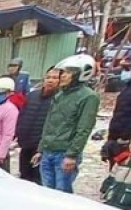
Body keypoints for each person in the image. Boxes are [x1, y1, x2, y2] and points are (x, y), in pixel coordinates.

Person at [32, 54, 100, 193]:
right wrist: (40, 149)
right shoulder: (59, 95)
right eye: (62, 72)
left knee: (62, 194)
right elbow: (49, 124)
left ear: (80, 74)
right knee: (46, 192)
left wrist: (72, 155)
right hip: (48, 151)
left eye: (68, 72)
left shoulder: (89, 97)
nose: (62, 76)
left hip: (64, 153)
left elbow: (84, 128)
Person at [16, 67, 60, 183]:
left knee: (38, 179)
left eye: (55, 78)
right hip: (25, 144)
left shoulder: (59, 99)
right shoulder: (32, 95)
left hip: (41, 147)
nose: (50, 80)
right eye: (48, 77)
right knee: (24, 177)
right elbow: (23, 115)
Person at [103, 52, 131, 167]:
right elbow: (120, 115)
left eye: (128, 68)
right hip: (118, 143)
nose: (125, 71)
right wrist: (111, 141)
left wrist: (124, 139)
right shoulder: (130, 87)